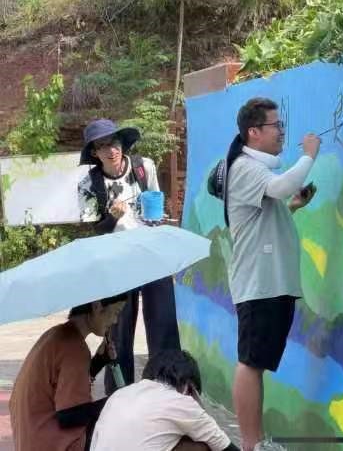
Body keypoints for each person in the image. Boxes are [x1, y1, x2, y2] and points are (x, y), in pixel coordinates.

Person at [225, 97, 320, 451]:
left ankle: (256, 441)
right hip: (258, 285)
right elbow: (280, 187)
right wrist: (309, 155)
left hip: (268, 284)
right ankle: (251, 445)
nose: (282, 131)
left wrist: (292, 207)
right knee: (251, 364)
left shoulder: (253, 169)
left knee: (257, 363)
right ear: (254, 132)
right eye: (276, 125)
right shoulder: (245, 167)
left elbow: (263, 221)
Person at [77, 118, 181, 395]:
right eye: (102, 146)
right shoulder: (89, 185)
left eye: (114, 142)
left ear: (122, 143)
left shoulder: (143, 167)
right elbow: (96, 231)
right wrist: (112, 217)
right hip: (116, 263)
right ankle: (119, 396)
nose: (111, 150)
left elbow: (155, 203)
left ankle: (168, 390)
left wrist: (157, 219)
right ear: (94, 153)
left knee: (164, 326)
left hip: (151, 256)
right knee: (119, 333)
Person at [9, 294, 128, 451]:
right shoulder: (75, 348)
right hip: (51, 442)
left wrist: (98, 362)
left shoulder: (56, 334)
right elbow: (69, 416)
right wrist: (118, 400)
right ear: (97, 306)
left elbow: (65, 386)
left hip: (31, 439)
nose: (115, 321)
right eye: (116, 312)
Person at [90, 350, 238, 451]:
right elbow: (224, 446)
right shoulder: (182, 402)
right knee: (202, 445)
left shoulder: (119, 395)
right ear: (189, 388)